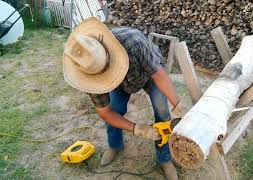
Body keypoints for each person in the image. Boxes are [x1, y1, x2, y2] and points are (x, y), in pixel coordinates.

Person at [62, 17, 183, 180]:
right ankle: (115, 145)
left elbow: (159, 75)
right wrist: (137, 129)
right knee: (115, 109)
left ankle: (164, 159)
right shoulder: (87, 72)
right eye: (102, 74)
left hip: (147, 73)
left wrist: (178, 106)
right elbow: (106, 113)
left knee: (162, 112)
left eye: (107, 69)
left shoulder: (133, 42)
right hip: (119, 86)